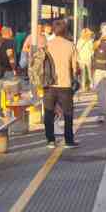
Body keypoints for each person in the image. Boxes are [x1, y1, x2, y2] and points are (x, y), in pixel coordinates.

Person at [43, 19, 80, 148]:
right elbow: (75, 67)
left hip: (48, 84)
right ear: (65, 31)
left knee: (48, 112)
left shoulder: (47, 45)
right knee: (68, 113)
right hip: (65, 83)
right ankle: (68, 140)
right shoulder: (70, 45)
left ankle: (50, 140)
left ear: (53, 30)